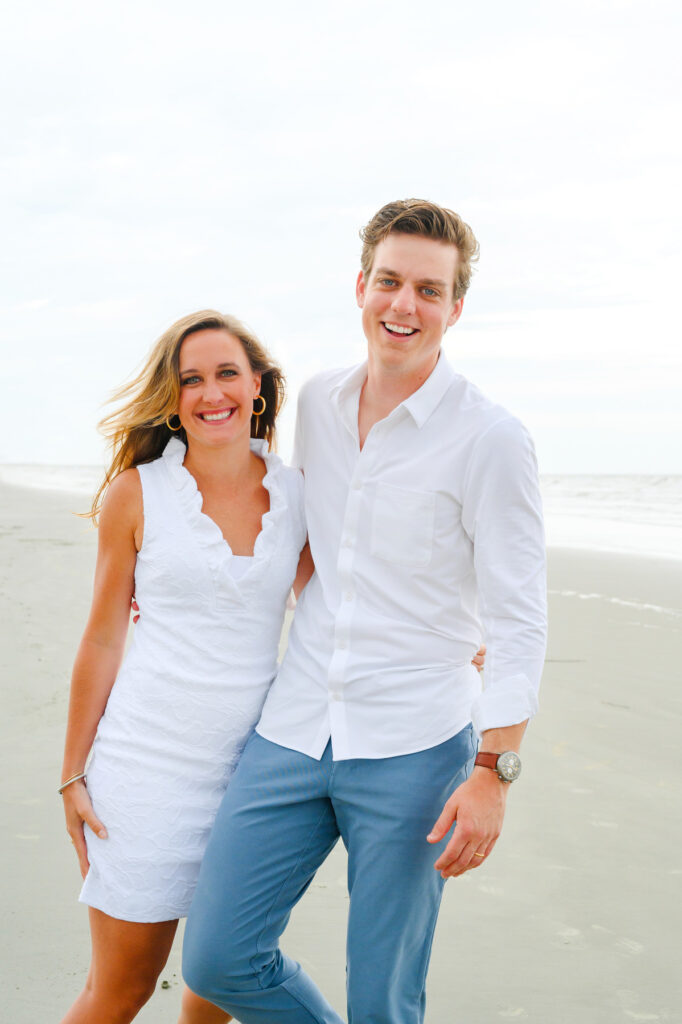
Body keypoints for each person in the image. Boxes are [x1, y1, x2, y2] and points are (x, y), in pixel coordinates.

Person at [182, 199, 548, 1023]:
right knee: (216, 956)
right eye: (389, 281)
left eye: (428, 289)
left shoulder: (491, 438)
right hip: (295, 724)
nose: (403, 305)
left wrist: (494, 772)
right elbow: (300, 539)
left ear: (456, 308)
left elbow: (520, 617)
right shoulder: (316, 402)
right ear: (360, 286)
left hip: (416, 746)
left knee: (384, 1000)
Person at [58, 310, 311, 1024]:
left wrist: (447, 635)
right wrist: (74, 772)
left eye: (226, 373)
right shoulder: (136, 495)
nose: (211, 393)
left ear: (257, 385)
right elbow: (103, 639)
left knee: (219, 987)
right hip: (144, 775)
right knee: (120, 991)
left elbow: (337, 605)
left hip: (252, 782)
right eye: (190, 379)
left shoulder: (296, 495)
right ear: (172, 399)